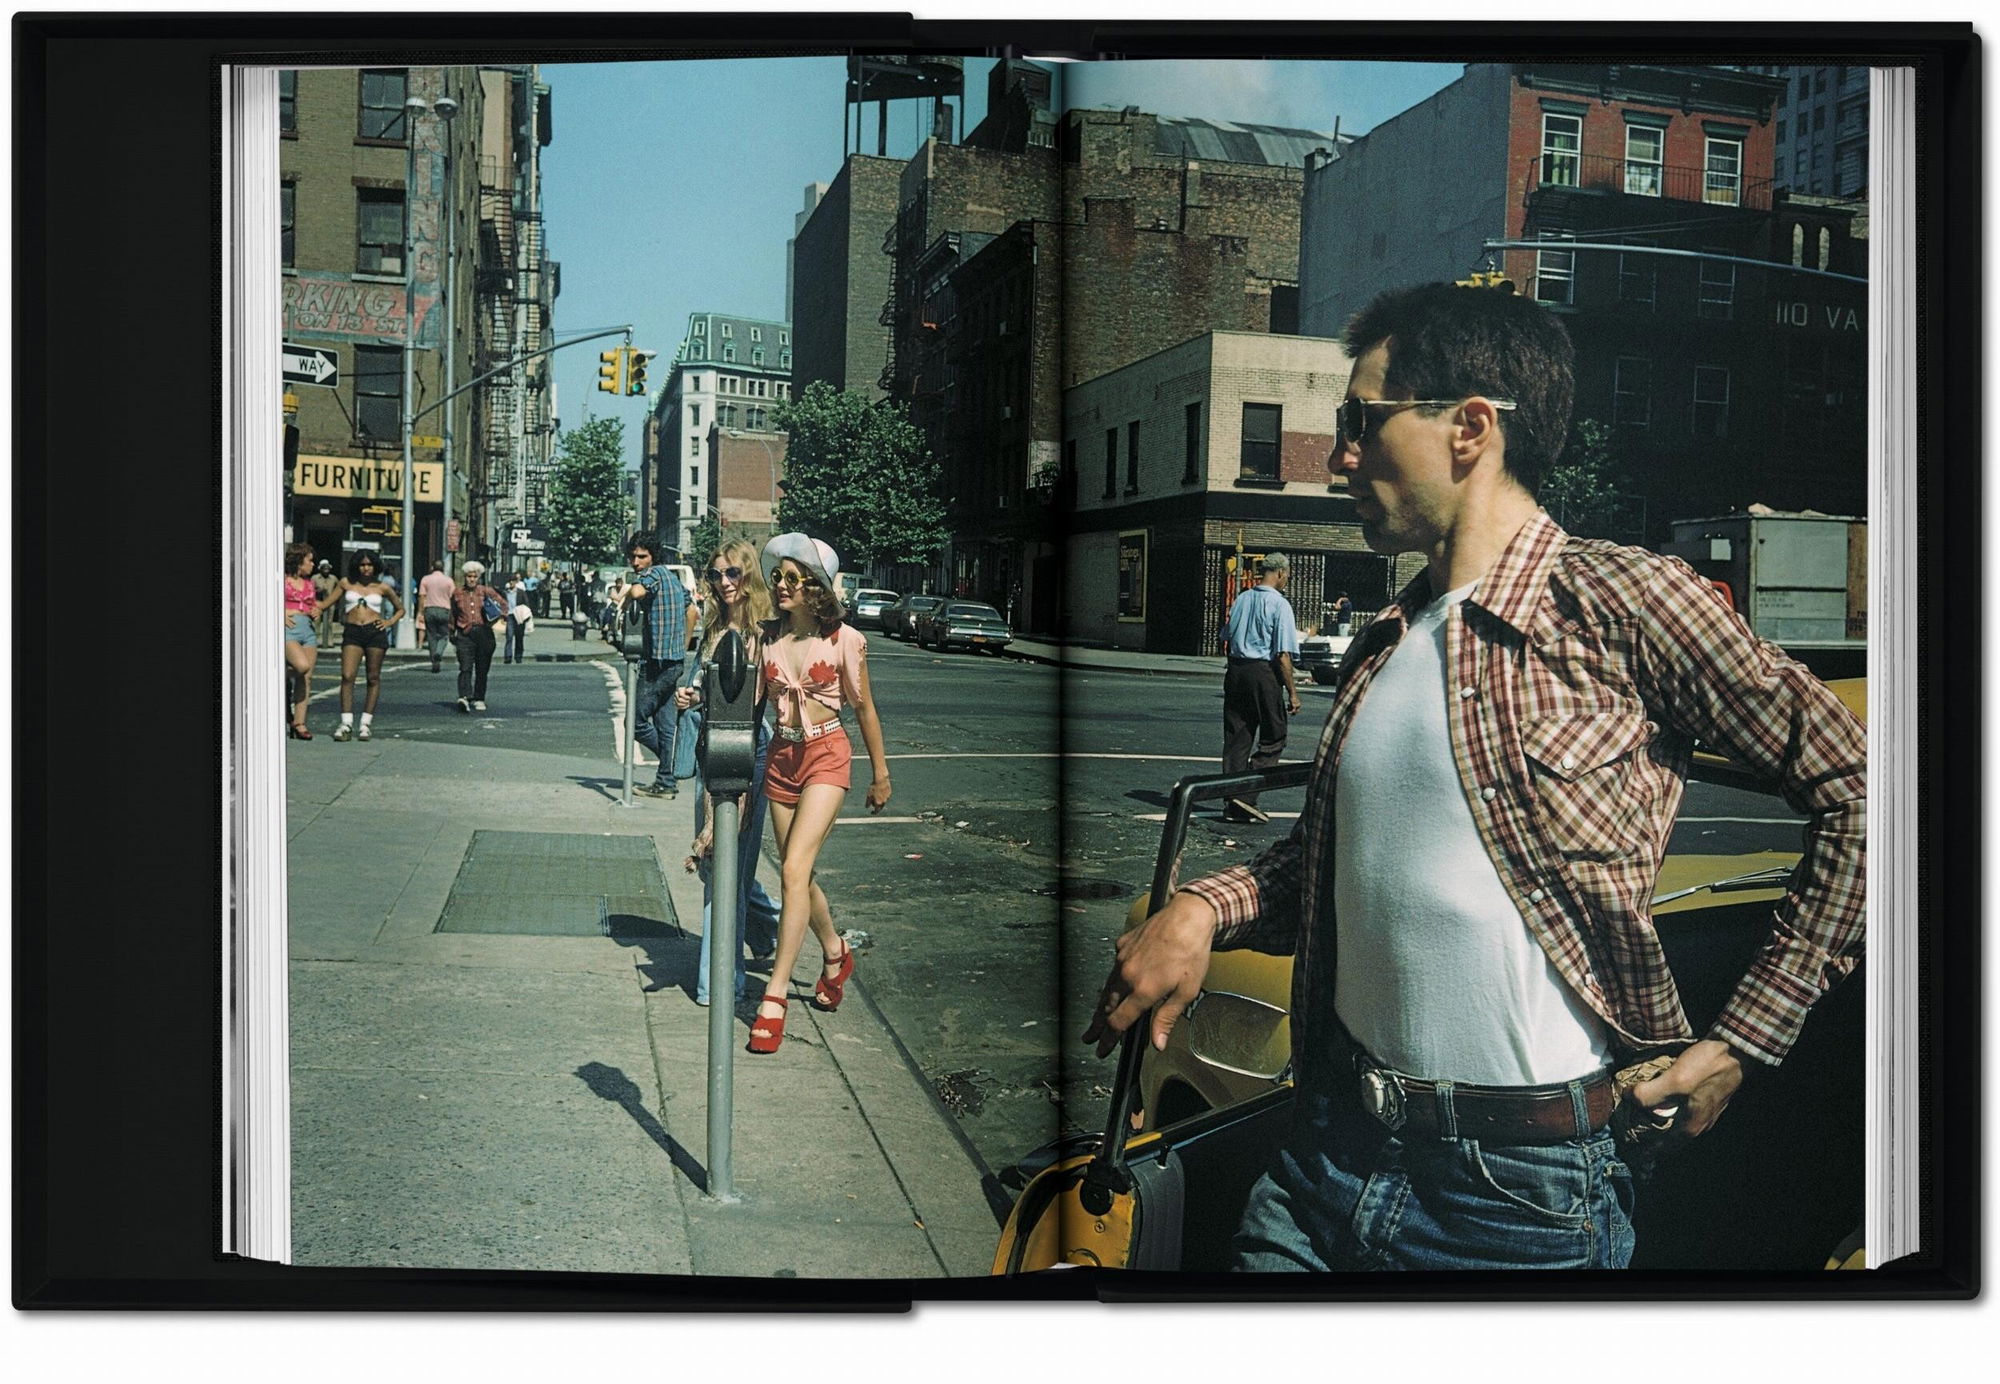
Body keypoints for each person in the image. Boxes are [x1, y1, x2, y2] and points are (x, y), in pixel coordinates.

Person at [1083, 282, 1866, 1272]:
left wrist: (1741, 1040)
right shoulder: (1383, 641)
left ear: (1468, 427)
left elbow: (1859, 789)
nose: (1339, 455)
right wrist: (1201, 908)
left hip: (1518, 1196)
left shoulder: (1620, 601)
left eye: (1360, 421)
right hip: (1322, 1160)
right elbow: (1331, 873)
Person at [744, 533, 892, 1054]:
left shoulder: (845, 640)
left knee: (791, 871)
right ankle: (835, 950)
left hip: (827, 755)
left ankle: (775, 996)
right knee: (798, 873)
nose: (780, 586)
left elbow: (864, 708)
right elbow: (750, 707)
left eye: (792, 579)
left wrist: (880, 773)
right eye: (778, 577)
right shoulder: (767, 638)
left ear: (816, 588)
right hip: (781, 759)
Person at [674, 539, 783, 1006]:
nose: (724, 583)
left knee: (726, 871)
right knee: (721, 867)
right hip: (710, 746)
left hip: (748, 749)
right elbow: (711, 686)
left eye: (733, 573)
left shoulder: (767, 629)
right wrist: (691, 695)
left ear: (749, 574)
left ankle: (719, 984)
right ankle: (773, 927)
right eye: (717, 574)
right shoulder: (716, 625)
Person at [1220, 551, 1302, 824]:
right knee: (1274, 735)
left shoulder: (1242, 598)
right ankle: (1246, 796)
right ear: (1279, 573)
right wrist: (1292, 692)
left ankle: (1231, 797)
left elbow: (1227, 635)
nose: (1287, 580)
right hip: (1262, 673)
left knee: (1237, 736)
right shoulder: (1280, 605)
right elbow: (1283, 655)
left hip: (1236, 670)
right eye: (1287, 575)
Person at [618, 532, 695, 800]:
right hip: (672, 662)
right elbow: (693, 612)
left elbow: (638, 590)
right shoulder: (673, 580)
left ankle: (670, 760)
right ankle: (666, 783)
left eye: (642, 556)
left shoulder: (655, 575)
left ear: (653, 556)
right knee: (665, 725)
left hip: (658, 665)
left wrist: (626, 598)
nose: (636, 562)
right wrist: (682, 646)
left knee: (635, 721)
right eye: (633, 556)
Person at [330, 550, 402, 741]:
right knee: (347, 676)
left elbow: (400, 608)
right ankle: (346, 723)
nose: (366, 568)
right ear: (356, 566)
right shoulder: (346, 583)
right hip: (353, 632)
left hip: (374, 633)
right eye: (362, 564)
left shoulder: (383, 587)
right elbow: (327, 603)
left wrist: (388, 622)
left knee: (373, 677)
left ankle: (365, 724)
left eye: (369, 564)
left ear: (375, 566)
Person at [282, 542, 330, 740]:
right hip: (288, 629)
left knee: (306, 677)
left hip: (308, 631)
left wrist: (316, 609)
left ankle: (299, 722)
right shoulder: (281, 580)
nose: (313, 564)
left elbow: (313, 604)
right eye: (309, 560)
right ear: (298, 561)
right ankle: (272, 679)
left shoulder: (310, 583)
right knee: (301, 667)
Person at [448, 559, 507, 713]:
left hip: (484, 634)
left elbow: (503, 605)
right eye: (469, 576)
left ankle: (479, 698)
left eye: (474, 576)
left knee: (482, 668)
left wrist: (500, 618)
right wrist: (451, 631)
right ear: (465, 577)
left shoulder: (486, 591)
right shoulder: (457, 593)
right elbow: (452, 614)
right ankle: (464, 696)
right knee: (465, 667)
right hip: (465, 634)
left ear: (478, 577)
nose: (471, 579)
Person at [417, 559, 457, 674]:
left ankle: (434, 661)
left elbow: (422, 597)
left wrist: (420, 612)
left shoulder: (425, 579)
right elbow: (452, 597)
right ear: (443, 568)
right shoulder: (448, 581)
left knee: (431, 636)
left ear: (432, 567)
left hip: (429, 609)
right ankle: (439, 652)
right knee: (444, 635)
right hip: (444, 609)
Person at [311, 559, 338, 644]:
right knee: (317, 622)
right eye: (324, 568)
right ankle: (316, 640)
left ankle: (329, 641)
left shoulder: (333, 578)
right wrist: (318, 590)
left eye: (327, 568)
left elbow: (339, 589)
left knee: (329, 622)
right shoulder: (315, 578)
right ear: (320, 569)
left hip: (330, 603)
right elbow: (310, 590)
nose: (326, 569)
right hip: (318, 602)